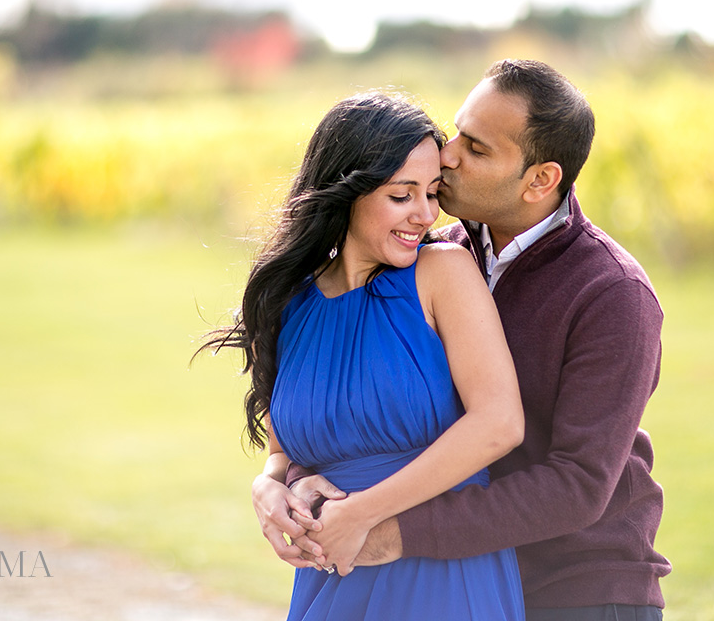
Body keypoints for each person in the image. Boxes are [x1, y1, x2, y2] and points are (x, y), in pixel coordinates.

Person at [260, 60, 671, 620]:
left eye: (476, 148)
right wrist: (281, 483)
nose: (448, 154)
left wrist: (392, 531)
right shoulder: (418, 257)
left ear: (540, 180)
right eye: (457, 132)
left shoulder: (610, 294)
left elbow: (577, 484)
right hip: (433, 565)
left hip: (578, 588)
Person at [202, 92, 527, 619]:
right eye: (403, 196)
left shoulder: (442, 272)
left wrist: (362, 515)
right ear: (347, 193)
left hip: (442, 577)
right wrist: (267, 486)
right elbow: (286, 454)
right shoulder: (287, 304)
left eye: (432, 192)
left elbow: (499, 423)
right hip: (333, 577)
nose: (425, 214)